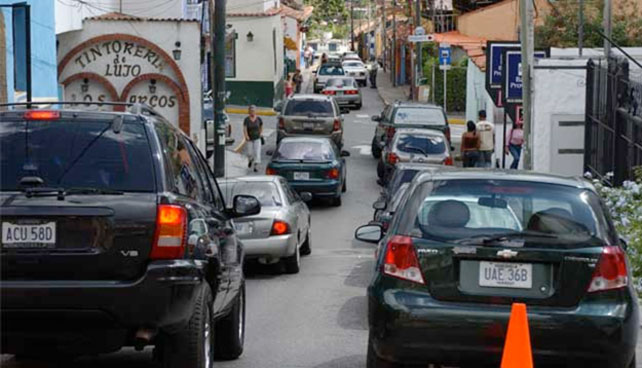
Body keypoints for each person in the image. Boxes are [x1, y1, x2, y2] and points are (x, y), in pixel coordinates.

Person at [243, 105, 263, 173]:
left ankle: (255, 166)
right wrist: (246, 136)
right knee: (249, 153)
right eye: (251, 111)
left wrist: (260, 134)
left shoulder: (259, 119)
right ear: (249, 112)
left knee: (257, 153)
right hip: (249, 139)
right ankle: (250, 160)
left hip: (257, 138)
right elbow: (245, 128)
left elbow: (261, 126)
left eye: (253, 111)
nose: (252, 112)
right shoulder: (246, 120)